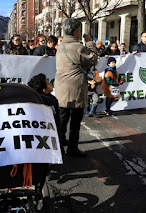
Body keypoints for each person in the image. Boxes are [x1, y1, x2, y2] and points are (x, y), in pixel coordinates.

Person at [55, 18, 98, 157]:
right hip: (75, 88)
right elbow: (93, 59)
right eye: (79, 30)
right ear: (75, 32)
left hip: (62, 88)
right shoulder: (78, 47)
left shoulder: (61, 45)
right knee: (75, 121)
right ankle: (72, 148)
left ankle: (59, 144)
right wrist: (90, 43)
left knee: (62, 119)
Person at [27, 73, 64, 154]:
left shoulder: (33, 99)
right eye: (49, 83)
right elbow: (56, 120)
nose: (51, 84)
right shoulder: (51, 100)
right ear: (45, 90)